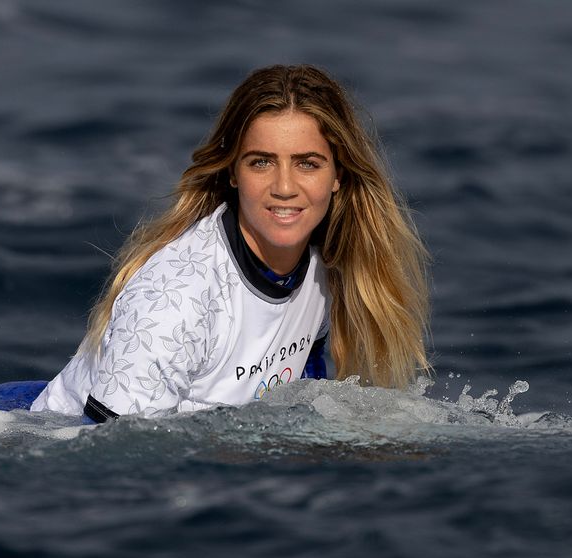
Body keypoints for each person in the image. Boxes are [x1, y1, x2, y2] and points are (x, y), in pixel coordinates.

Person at [26, 64, 431, 422]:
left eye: (308, 163)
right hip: (37, 438)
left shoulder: (328, 265)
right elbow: (113, 467)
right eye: (261, 162)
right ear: (233, 172)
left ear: (338, 175)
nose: (285, 187)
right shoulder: (175, 301)